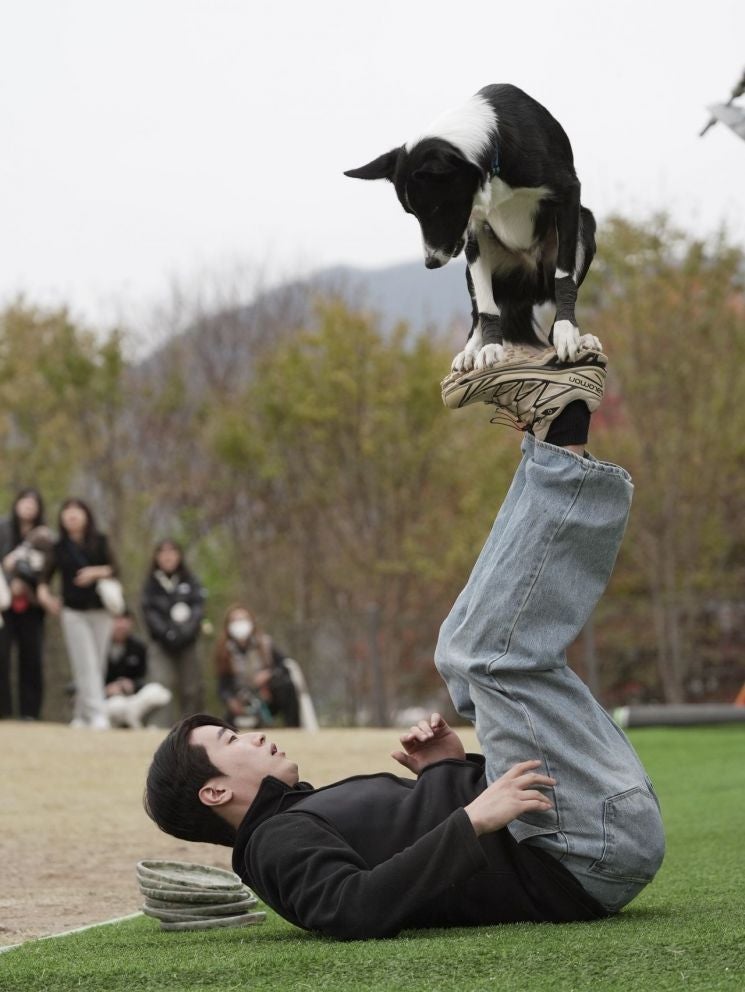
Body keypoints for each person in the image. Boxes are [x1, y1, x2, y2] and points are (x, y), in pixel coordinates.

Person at [145, 346, 665, 940]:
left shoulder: (296, 816)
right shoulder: (270, 847)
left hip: (580, 831)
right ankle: (562, 429)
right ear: (214, 791)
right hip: (575, 851)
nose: (254, 735)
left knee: (462, 659)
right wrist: (470, 819)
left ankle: (552, 432)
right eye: (230, 739)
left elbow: (425, 856)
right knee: (480, 655)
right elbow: (352, 907)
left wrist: (444, 773)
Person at [37, 499, 120, 729]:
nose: (72, 515)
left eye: (77, 511)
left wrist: (95, 572)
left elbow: (115, 569)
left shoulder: (100, 541)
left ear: (86, 515)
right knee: (84, 662)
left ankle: (82, 715)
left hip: (101, 611)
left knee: (97, 664)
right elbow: (44, 577)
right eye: (67, 512)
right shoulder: (58, 547)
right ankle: (98, 714)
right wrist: (45, 597)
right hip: (73, 612)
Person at [141, 539, 205, 728]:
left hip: (188, 642)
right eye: (163, 552)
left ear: (179, 555)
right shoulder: (151, 584)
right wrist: (167, 633)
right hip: (161, 643)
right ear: (156, 557)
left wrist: (185, 632)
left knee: (192, 689)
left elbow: (198, 609)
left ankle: (194, 731)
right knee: (161, 687)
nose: (168, 556)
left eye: (172, 551)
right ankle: (160, 729)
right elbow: (149, 612)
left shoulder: (190, 581)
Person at [0, 488, 50, 719]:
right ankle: (4, 711)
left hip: (31, 605)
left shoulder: (44, 536)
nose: (29, 506)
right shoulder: (3, 529)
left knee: (31, 658)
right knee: (2, 655)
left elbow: (47, 571)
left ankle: (30, 713)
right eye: (25, 501)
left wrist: (24, 582)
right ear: (16, 503)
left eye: (34, 503)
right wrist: (10, 582)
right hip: (3, 603)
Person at [214, 605, 303, 729]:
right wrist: (231, 701)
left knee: (286, 685)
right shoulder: (224, 651)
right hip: (243, 702)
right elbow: (222, 687)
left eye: (243, 619)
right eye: (235, 620)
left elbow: (284, 666)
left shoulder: (265, 644)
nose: (240, 624)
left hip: (268, 699)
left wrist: (268, 676)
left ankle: (293, 728)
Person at [104, 611, 172, 728]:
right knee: (116, 705)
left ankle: (154, 725)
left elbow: (145, 678)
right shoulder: (99, 646)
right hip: (104, 700)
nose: (121, 625)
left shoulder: (138, 647)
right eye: (117, 620)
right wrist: (106, 690)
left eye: (125, 620)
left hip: (132, 698)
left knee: (161, 694)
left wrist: (132, 685)